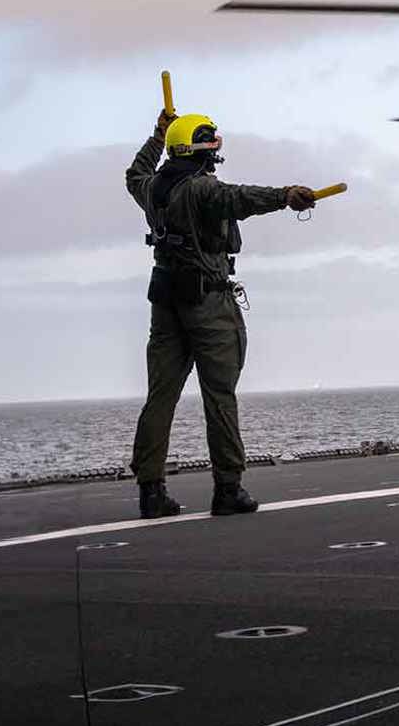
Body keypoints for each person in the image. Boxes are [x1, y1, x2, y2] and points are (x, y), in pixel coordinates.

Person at [125, 109, 316, 518]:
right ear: (203, 148)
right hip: (208, 303)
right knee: (220, 396)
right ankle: (227, 489)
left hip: (165, 304)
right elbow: (241, 198)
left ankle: (151, 491)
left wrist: (157, 136)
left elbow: (135, 173)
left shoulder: (151, 189)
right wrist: (286, 195)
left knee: (160, 397)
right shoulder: (203, 190)